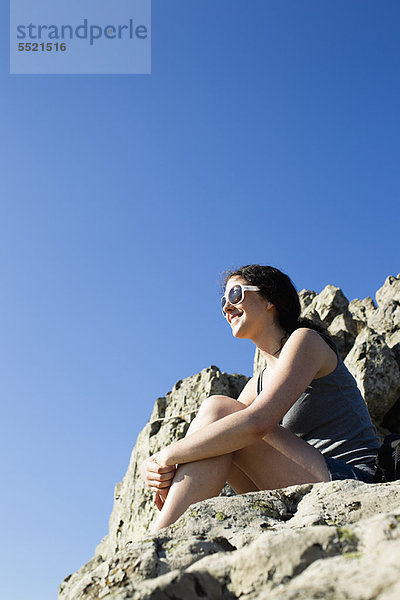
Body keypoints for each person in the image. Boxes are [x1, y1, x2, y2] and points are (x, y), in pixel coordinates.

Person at [140, 265, 380, 532]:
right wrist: (159, 468)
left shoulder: (306, 341)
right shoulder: (258, 383)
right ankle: (165, 532)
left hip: (354, 482)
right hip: (304, 484)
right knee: (221, 432)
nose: (226, 308)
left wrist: (166, 456)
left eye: (235, 294)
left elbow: (258, 422)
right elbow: (226, 433)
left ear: (269, 300)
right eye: (223, 302)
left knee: (219, 409)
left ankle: (158, 537)